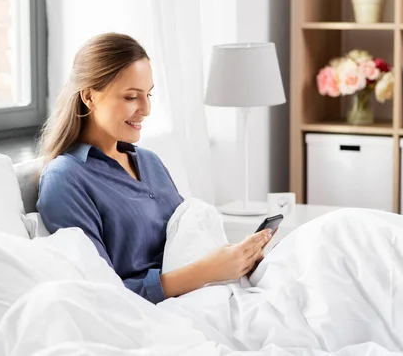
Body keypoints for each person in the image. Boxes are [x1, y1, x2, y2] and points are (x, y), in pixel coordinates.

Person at [36, 32, 273, 304]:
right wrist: (211, 270)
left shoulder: (150, 161)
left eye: (148, 95)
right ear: (89, 96)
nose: (146, 109)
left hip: (217, 291)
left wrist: (238, 258)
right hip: (166, 312)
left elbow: (184, 239)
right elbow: (100, 294)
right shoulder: (66, 179)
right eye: (131, 97)